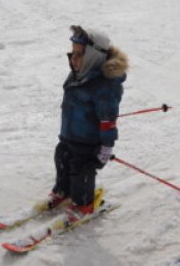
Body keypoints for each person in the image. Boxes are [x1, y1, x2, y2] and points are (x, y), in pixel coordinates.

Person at [49, 25, 128, 223]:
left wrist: (106, 147)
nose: (73, 59)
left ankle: (83, 204)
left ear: (94, 56)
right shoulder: (78, 73)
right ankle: (63, 190)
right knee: (61, 157)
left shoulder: (105, 86)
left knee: (81, 170)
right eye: (72, 53)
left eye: (80, 54)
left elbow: (108, 120)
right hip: (68, 135)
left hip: (87, 142)